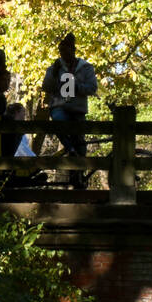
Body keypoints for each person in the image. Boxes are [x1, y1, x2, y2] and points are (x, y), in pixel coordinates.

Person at [42, 33, 98, 187]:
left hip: (77, 109)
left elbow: (92, 87)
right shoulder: (55, 67)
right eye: (61, 51)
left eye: (66, 51)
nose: (63, 54)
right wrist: (54, 74)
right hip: (59, 106)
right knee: (59, 123)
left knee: (80, 143)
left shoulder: (85, 67)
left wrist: (77, 87)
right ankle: (70, 149)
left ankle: (78, 178)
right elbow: (46, 87)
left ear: (73, 50)